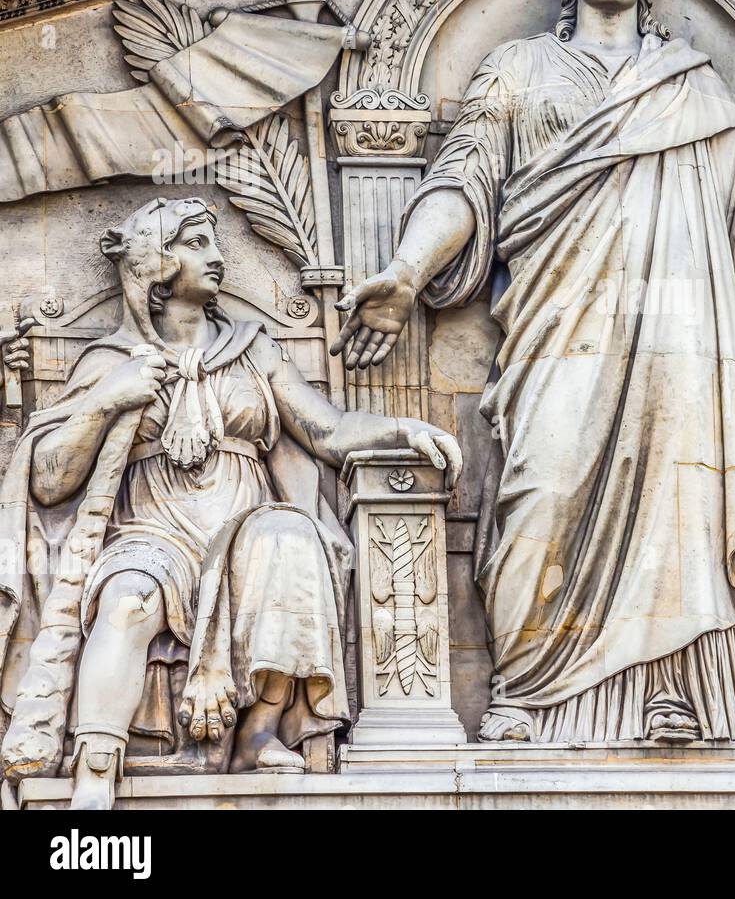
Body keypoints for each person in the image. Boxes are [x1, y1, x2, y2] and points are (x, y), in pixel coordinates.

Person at [330, 0, 735, 744]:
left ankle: (677, 696)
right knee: (540, 486)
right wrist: (406, 273)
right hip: (558, 324)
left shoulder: (691, 84)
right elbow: (464, 182)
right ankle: (530, 692)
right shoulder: (520, 69)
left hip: (680, 337)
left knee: (681, 502)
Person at [0, 197, 460, 809]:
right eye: (196, 243)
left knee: (291, 538)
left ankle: (258, 731)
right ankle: (95, 765)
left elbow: (324, 430)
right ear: (156, 262)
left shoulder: (253, 348)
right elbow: (50, 481)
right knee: (126, 597)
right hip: (150, 530)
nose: (217, 259)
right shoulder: (109, 362)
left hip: (245, 527)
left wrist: (401, 430)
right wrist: (103, 401)